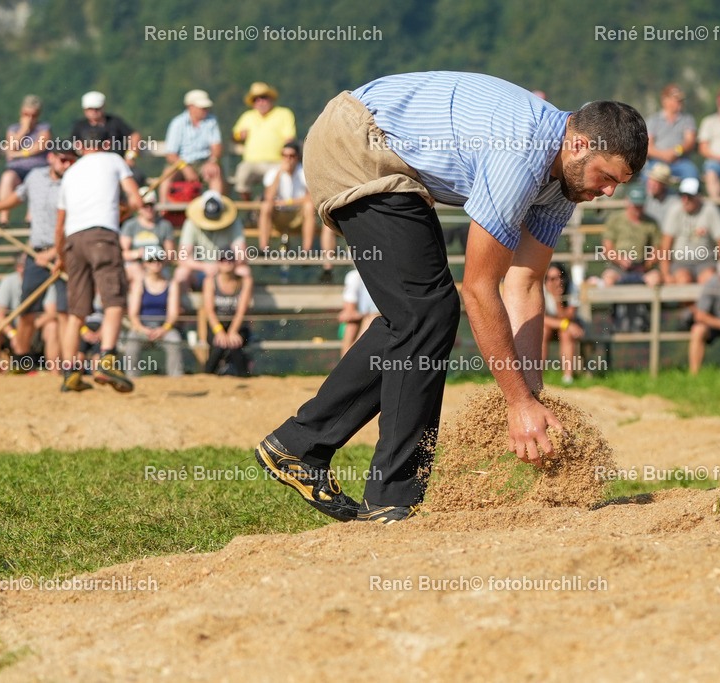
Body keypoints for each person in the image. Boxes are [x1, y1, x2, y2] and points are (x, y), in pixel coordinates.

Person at [254, 71, 646, 524]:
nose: (608, 192)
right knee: (426, 311)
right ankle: (390, 498)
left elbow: (524, 283)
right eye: (607, 177)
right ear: (579, 145)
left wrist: (532, 396)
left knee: (418, 313)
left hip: (388, 155)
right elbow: (480, 290)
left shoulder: (565, 183)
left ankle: (299, 445)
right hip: (356, 141)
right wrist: (516, 403)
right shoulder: (520, 154)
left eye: (619, 184)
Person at [55, 131, 142, 393]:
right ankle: (107, 358)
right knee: (114, 300)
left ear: (79, 146)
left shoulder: (69, 173)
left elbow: (59, 226)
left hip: (73, 240)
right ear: (106, 144)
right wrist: (126, 210)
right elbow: (136, 199)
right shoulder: (114, 160)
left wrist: (61, 258)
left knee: (77, 311)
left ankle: (70, 372)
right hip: (102, 235)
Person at [0, 147, 76, 370]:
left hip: (66, 253)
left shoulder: (75, 183)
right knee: (26, 309)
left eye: (71, 160)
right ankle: (21, 361)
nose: (66, 165)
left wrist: (54, 253)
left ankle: (65, 366)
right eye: (62, 160)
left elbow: (77, 221)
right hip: (35, 253)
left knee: (63, 311)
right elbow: (16, 197)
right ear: (51, 158)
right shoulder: (35, 178)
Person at [257, 140, 336, 282]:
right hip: (279, 215)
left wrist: (287, 202)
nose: (287, 159)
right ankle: (264, 249)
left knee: (308, 207)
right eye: (284, 155)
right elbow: (268, 196)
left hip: (298, 215)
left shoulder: (303, 172)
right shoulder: (274, 172)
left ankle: (306, 251)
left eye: (291, 156)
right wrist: (280, 173)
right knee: (266, 206)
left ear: (297, 157)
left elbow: (310, 197)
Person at [232, 82, 296, 201]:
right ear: (253, 103)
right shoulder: (247, 116)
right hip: (251, 162)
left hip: (276, 161)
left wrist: (286, 160)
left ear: (271, 99)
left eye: (263, 97)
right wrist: (239, 136)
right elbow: (234, 135)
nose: (260, 101)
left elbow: (289, 140)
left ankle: (266, 208)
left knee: (277, 185)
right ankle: (250, 207)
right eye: (256, 99)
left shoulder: (283, 114)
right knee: (241, 176)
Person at [660, 177, 720, 285]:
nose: (685, 200)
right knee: (683, 280)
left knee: (709, 280)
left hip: (707, 262)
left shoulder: (710, 210)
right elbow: (666, 245)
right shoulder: (675, 211)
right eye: (682, 196)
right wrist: (666, 274)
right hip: (680, 263)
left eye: (689, 196)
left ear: (699, 196)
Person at [125, 251, 183, 378]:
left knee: (174, 341)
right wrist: (142, 329)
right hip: (141, 329)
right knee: (131, 343)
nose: (156, 264)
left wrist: (163, 330)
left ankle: (177, 380)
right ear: (145, 264)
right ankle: (132, 379)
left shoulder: (172, 284)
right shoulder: (139, 284)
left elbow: (173, 314)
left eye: (159, 260)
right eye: (152, 260)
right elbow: (132, 314)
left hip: (165, 329)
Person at [159, 89, 224, 205]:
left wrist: (213, 161)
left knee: (214, 172)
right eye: (202, 108)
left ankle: (216, 206)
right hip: (180, 163)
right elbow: (171, 155)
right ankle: (163, 208)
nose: (205, 110)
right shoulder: (178, 123)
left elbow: (217, 147)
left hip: (204, 162)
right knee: (167, 175)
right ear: (190, 107)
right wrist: (185, 167)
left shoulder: (211, 121)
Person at [174, 191, 249, 288]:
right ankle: (180, 303)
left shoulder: (234, 223)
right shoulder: (191, 223)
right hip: (199, 271)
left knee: (244, 272)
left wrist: (223, 267)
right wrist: (204, 267)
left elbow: (241, 254)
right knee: (181, 273)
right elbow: (183, 257)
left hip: (226, 272)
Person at [0, 95, 51, 226]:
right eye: (27, 114)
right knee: (7, 178)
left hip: (38, 168)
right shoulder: (13, 129)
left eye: (34, 115)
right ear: (21, 113)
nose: (30, 118)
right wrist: (23, 130)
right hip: (16, 169)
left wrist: (19, 154)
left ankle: (30, 219)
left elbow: (40, 146)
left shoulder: (44, 128)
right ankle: (3, 218)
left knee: (35, 179)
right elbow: (10, 147)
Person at [72, 91, 143, 182]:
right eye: (90, 108)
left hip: (118, 167)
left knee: (138, 178)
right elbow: (73, 145)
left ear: (103, 107)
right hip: (90, 169)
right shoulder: (80, 126)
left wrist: (130, 156)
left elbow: (134, 136)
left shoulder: (115, 122)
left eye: (97, 108)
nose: (94, 111)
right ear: (84, 109)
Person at [202, 250, 253, 376]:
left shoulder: (245, 281)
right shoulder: (210, 281)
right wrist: (220, 331)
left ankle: (243, 377)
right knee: (219, 344)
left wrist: (232, 331)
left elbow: (241, 311)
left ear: (236, 262)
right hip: (217, 325)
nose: (227, 262)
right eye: (223, 259)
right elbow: (209, 311)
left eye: (230, 259)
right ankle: (208, 376)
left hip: (238, 325)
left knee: (234, 343)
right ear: (218, 262)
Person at [601, 184, 662, 287]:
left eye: (640, 205)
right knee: (608, 279)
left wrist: (646, 264)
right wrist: (620, 260)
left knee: (655, 279)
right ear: (627, 201)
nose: (637, 209)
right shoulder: (615, 220)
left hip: (642, 266)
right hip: (617, 267)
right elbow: (607, 248)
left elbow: (658, 249)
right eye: (635, 205)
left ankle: (648, 303)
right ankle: (616, 303)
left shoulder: (651, 223)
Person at [120, 190, 175, 286]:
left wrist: (154, 261)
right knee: (137, 272)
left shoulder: (165, 225)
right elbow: (122, 254)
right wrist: (139, 254)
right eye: (145, 205)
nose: (149, 208)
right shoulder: (130, 225)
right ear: (139, 207)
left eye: (151, 205)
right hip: (135, 266)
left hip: (158, 266)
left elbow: (170, 254)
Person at [646, 83, 698, 181]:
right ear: (665, 100)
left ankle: (689, 196)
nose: (680, 103)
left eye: (681, 100)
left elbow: (690, 142)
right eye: (676, 99)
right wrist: (663, 155)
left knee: (692, 173)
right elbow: (648, 146)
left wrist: (676, 151)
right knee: (648, 177)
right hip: (657, 161)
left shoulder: (687, 119)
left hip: (680, 161)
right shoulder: (653, 120)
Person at [542, 263, 583, 385]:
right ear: (546, 280)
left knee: (565, 333)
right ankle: (538, 375)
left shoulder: (572, 287)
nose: (558, 282)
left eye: (560, 277)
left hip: (569, 325)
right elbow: (540, 319)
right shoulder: (540, 289)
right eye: (553, 279)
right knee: (542, 332)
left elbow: (568, 317)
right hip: (550, 326)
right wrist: (566, 325)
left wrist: (556, 299)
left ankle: (568, 378)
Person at [338, 268, 379, 357]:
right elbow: (348, 312)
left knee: (369, 320)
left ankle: (349, 361)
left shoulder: (379, 276)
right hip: (366, 316)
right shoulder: (354, 277)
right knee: (351, 326)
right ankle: (347, 362)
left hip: (374, 317)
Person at [643, 161, 676, 229]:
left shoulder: (675, 202)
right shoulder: (644, 197)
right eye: (651, 180)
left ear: (664, 185)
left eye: (656, 182)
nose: (652, 185)